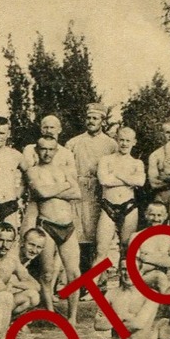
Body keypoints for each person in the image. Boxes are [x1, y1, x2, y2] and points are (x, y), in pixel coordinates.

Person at [26, 136, 82, 323]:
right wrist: (65, 186)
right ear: (37, 150)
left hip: (67, 226)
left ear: (56, 151)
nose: (47, 153)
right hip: (47, 224)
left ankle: (72, 317)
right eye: (43, 149)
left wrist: (51, 189)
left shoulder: (64, 170)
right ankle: (50, 314)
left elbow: (77, 193)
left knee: (74, 273)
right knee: (48, 273)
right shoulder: (33, 171)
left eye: (51, 149)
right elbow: (41, 193)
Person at [67, 102, 116, 269]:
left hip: (99, 193)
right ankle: (77, 280)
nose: (91, 121)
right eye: (88, 118)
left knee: (99, 239)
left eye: (95, 118)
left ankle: (96, 282)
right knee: (78, 237)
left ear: (103, 121)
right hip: (78, 193)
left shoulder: (111, 144)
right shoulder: (74, 143)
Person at [97, 123, 145, 269]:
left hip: (129, 206)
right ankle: (93, 287)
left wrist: (116, 174)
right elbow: (104, 180)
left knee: (126, 248)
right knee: (101, 250)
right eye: (121, 140)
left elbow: (140, 181)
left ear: (134, 142)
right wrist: (128, 178)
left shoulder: (137, 162)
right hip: (108, 206)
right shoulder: (106, 159)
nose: (124, 143)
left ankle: (123, 286)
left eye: (128, 140)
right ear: (117, 140)